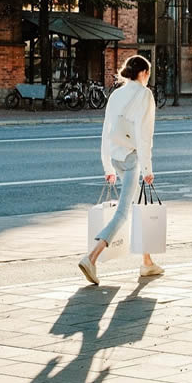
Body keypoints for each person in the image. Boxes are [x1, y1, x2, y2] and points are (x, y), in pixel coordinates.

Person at [78, 54, 164, 286]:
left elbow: (107, 130)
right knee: (124, 211)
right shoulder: (145, 95)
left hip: (116, 156)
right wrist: (147, 167)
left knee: (137, 208)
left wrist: (107, 165)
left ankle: (147, 262)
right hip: (132, 158)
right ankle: (91, 257)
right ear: (144, 73)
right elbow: (145, 135)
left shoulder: (116, 94)